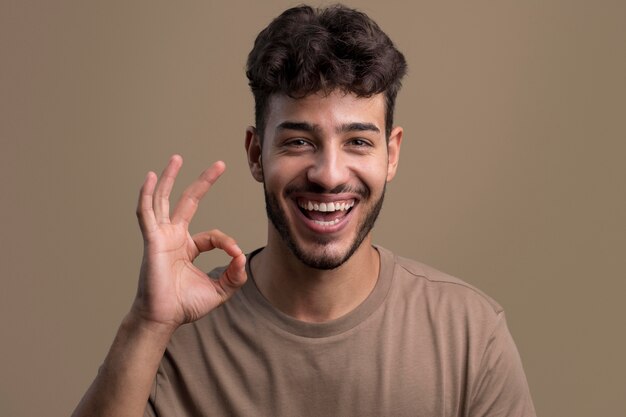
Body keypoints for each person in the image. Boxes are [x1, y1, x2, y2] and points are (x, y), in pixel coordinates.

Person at [73, 4, 536, 417]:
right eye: (298, 141)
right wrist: (148, 324)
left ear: (391, 155)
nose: (329, 174)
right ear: (256, 155)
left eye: (358, 142)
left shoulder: (471, 336)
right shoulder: (172, 334)